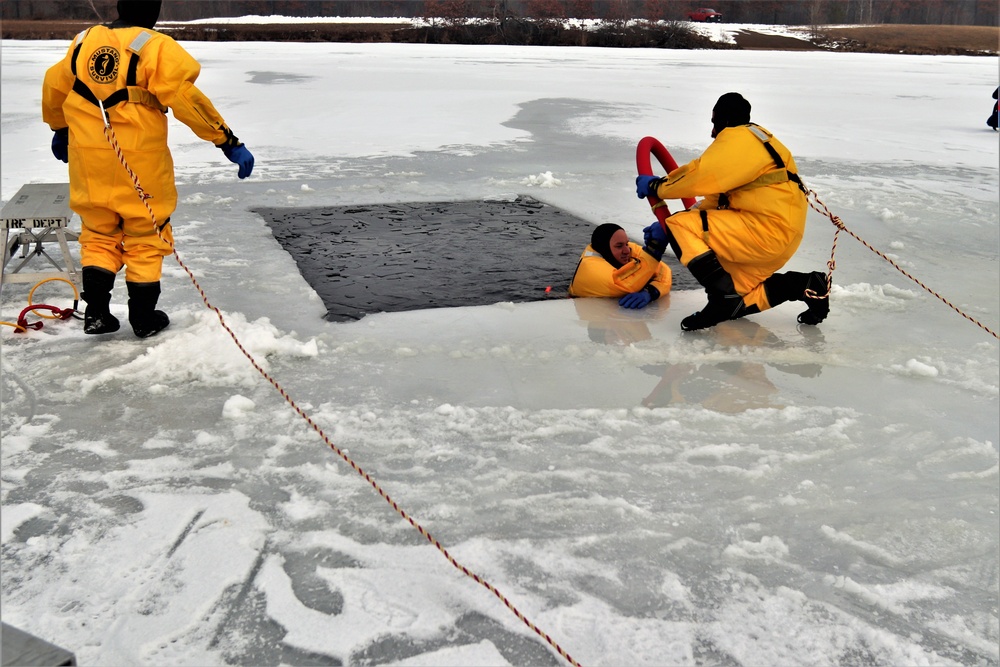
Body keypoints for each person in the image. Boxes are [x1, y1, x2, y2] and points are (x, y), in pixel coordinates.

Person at [42, 0, 255, 338]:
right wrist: (227, 141)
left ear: (119, 6)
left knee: (98, 234)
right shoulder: (156, 47)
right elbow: (185, 99)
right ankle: (143, 317)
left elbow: (54, 85)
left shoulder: (84, 41)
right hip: (139, 160)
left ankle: (97, 313)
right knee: (145, 236)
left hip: (90, 158)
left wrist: (60, 128)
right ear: (152, 13)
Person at [635, 92, 828, 331]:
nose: (713, 132)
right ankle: (806, 285)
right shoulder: (761, 140)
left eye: (715, 124)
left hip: (763, 231)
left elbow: (701, 175)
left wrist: (657, 187)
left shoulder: (737, 138)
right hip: (780, 235)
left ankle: (720, 297)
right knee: (741, 296)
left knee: (680, 225)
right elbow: (717, 197)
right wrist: (672, 225)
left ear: (725, 121)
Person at [568, 223, 671, 309]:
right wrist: (655, 247)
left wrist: (651, 291)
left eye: (626, 243)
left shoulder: (618, 249)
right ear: (605, 248)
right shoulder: (590, 268)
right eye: (619, 246)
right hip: (593, 313)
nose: (627, 250)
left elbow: (663, 270)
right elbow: (624, 284)